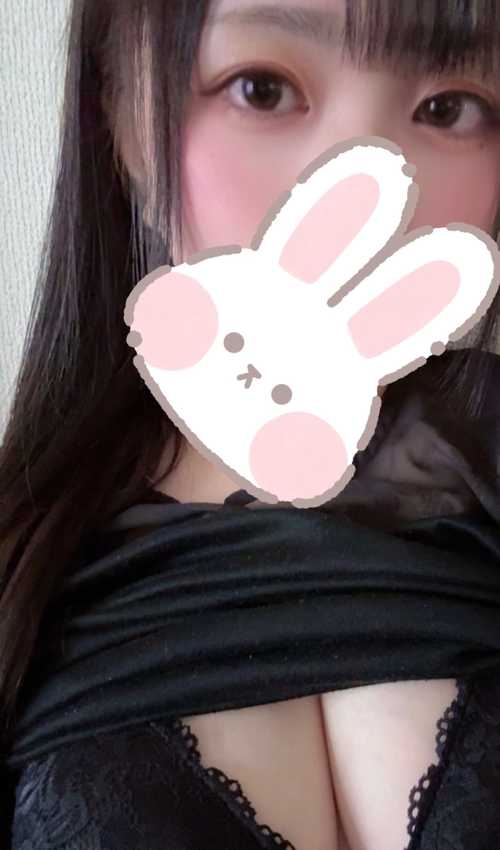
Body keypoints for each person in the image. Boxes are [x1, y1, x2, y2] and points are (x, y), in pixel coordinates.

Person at [1, 1, 500, 848]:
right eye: (261, 89)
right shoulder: (27, 562)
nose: (368, 168)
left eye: (450, 108)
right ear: (122, 116)